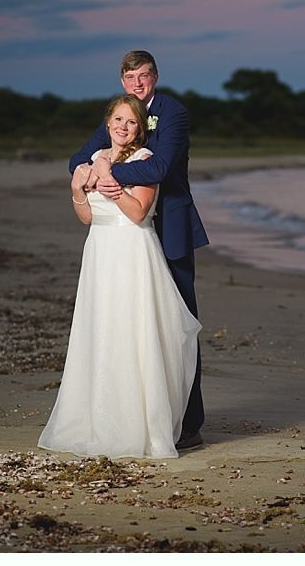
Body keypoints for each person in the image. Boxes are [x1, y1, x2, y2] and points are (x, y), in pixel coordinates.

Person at [39, 95, 201, 459]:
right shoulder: (92, 162)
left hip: (132, 252)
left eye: (131, 122)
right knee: (101, 333)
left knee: (133, 335)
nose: (123, 127)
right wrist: (77, 190)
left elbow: (140, 212)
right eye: (118, 120)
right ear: (108, 123)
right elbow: (86, 217)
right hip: (99, 253)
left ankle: (136, 425)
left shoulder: (143, 161)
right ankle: (97, 419)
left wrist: (112, 187)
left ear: (139, 128)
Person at [68, 50, 209, 451]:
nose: (138, 84)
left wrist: (108, 174)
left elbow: (160, 168)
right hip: (123, 238)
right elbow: (80, 158)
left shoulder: (173, 113)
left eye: (144, 76)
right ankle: (131, 412)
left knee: (178, 326)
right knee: (130, 326)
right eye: (130, 77)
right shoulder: (119, 115)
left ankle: (189, 423)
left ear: (155, 77)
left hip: (170, 227)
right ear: (122, 80)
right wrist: (89, 169)